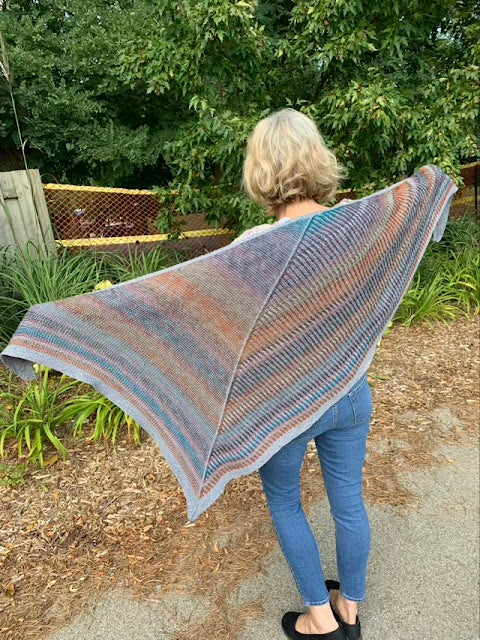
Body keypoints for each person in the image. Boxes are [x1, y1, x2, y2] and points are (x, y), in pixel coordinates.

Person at [232, 108, 371, 640]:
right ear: (318, 159)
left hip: (287, 405)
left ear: (260, 169)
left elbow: (227, 333)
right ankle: (350, 609)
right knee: (348, 499)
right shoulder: (357, 226)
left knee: (286, 501)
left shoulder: (252, 247)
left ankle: (320, 617)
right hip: (351, 391)